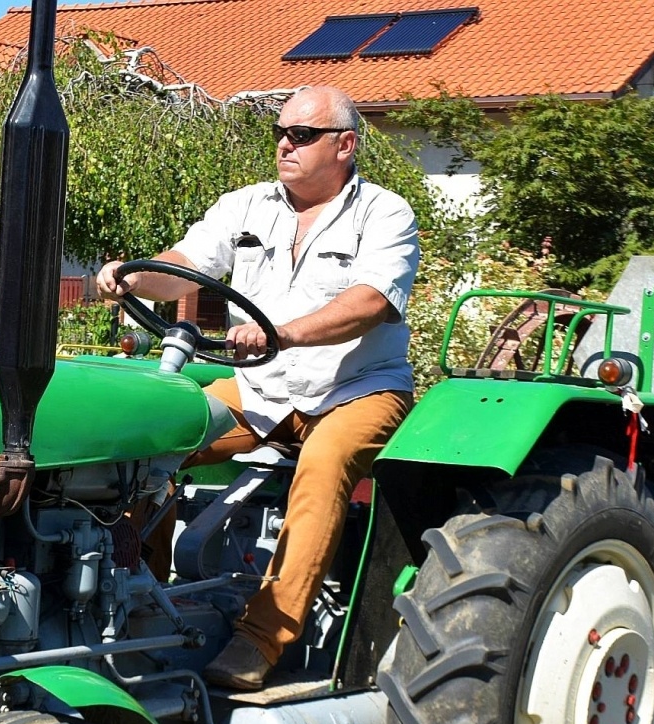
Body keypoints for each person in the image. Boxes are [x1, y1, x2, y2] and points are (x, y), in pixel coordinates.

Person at [98, 85, 419, 691]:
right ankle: (135, 595)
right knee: (155, 440)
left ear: (345, 145)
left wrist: (284, 334)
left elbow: (372, 301)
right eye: (280, 132)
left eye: (302, 135)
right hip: (263, 390)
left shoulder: (386, 213)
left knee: (323, 467)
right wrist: (131, 276)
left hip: (356, 390)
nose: (284, 144)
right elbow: (186, 264)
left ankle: (261, 638)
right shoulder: (247, 206)